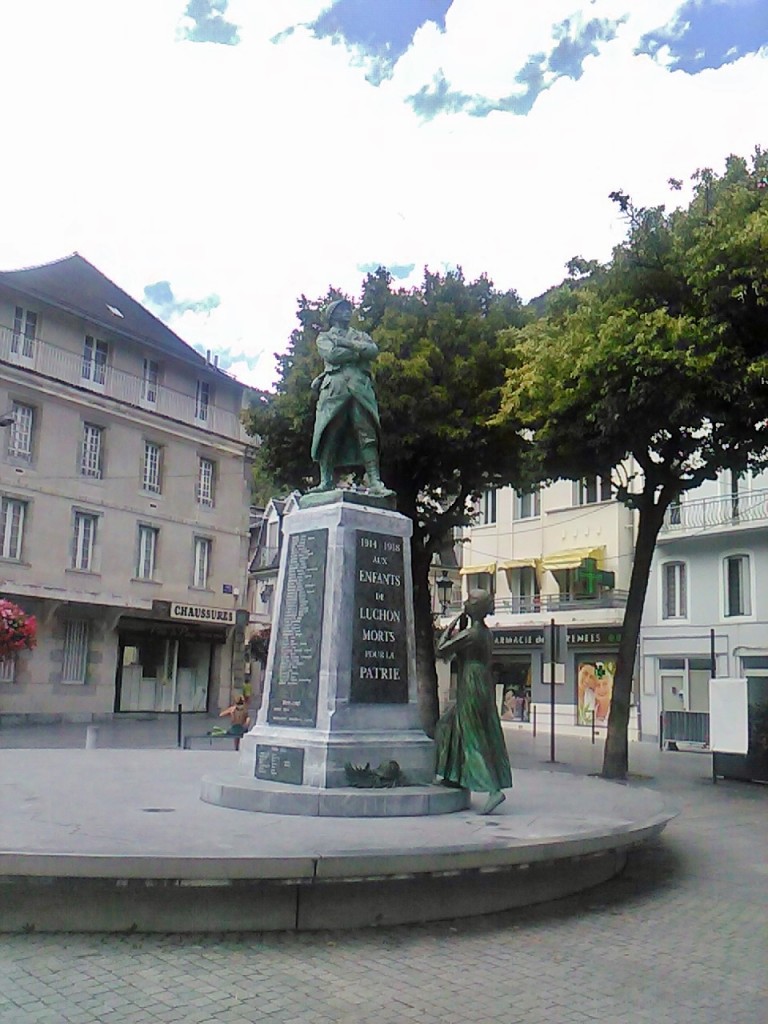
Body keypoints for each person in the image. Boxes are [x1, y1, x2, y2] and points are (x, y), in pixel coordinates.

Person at [435, 589, 513, 814]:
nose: (465, 602)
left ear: (475, 608)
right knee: (449, 725)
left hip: (470, 683)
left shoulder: (471, 633)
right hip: (481, 682)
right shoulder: (486, 633)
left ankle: (492, 788)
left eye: (469, 600)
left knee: (472, 737)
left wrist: (452, 623)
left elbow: (441, 649)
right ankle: (453, 775)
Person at [309, 299, 393, 496]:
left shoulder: (360, 335)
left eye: (348, 309)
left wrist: (347, 344)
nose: (347, 312)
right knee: (330, 434)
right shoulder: (324, 337)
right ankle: (326, 480)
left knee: (367, 434)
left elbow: (372, 351)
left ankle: (375, 481)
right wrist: (358, 352)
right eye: (342, 309)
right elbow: (332, 356)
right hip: (334, 389)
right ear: (332, 315)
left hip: (360, 388)